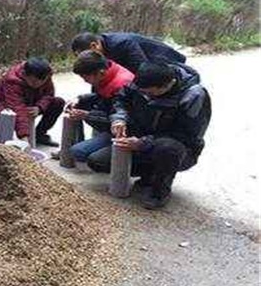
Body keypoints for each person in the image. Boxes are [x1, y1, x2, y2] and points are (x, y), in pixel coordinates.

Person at [87, 62, 211, 209]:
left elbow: (187, 135)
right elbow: (121, 100)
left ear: (168, 84)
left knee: (167, 148)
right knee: (97, 162)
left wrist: (143, 143)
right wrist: (119, 119)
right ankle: (149, 175)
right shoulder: (142, 81)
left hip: (177, 148)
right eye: (143, 92)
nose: (146, 96)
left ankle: (159, 192)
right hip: (141, 139)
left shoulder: (194, 95)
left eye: (151, 93)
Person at [65, 50, 134, 162]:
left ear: (100, 73)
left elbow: (121, 117)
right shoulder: (108, 72)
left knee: (79, 153)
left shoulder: (122, 85)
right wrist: (79, 99)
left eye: (86, 78)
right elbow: (101, 97)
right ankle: (81, 143)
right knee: (78, 105)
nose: (85, 81)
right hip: (110, 121)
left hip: (126, 130)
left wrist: (88, 115)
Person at [0, 57, 65, 146]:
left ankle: (39, 135)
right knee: (0, 113)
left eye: (42, 82)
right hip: (4, 102)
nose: (37, 85)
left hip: (29, 100)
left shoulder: (46, 74)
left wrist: (39, 107)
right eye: (33, 82)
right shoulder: (12, 80)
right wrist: (24, 137)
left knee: (58, 102)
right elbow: (17, 108)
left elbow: (49, 94)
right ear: (24, 75)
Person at [71, 32, 188, 75]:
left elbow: (141, 68)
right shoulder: (101, 48)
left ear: (94, 46)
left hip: (166, 63)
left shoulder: (121, 44)